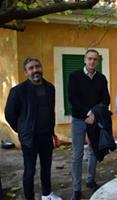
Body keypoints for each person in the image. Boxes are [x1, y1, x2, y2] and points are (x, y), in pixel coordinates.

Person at [5, 57, 62, 200]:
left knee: (46, 167)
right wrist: (22, 130)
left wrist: (52, 132)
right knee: (30, 170)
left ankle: (47, 194)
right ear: (26, 72)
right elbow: (9, 114)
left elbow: (51, 111)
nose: (35, 70)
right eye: (31, 68)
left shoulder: (50, 88)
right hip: (29, 138)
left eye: (37, 66)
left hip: (46, 136)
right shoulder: (18, 91)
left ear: (41, 68)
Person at [68, 49, 110, 200]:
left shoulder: (101, 78)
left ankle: (91, 180)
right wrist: (87, 114)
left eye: (95, 59)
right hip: (79, 120)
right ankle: (76, 188)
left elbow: (106, 99)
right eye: (89, 59)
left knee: (93, 151)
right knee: (77, 154)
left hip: (95, 119)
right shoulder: (74, 76)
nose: (92, 61)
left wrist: (95, 115)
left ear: (97, 61)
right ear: (84, 60)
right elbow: (73, 98)